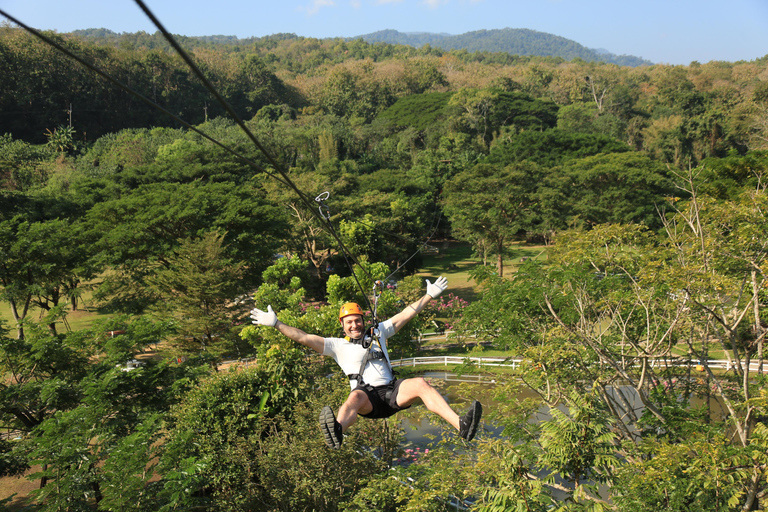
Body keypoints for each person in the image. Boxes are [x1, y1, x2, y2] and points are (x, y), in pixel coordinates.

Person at [250, 276, 482, 449]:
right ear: (342, 325)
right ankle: (337, 431)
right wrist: (277, 324)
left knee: (421, 383)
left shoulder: (378, 332)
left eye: (358, 321)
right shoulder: (335, 346)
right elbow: (303, 337)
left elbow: (406, 314)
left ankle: (461, 425)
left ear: (363, 320)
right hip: (368, 399)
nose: (354, 325)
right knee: (354, 397)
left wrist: (429, 295)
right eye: (349, 322)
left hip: (392, 392)